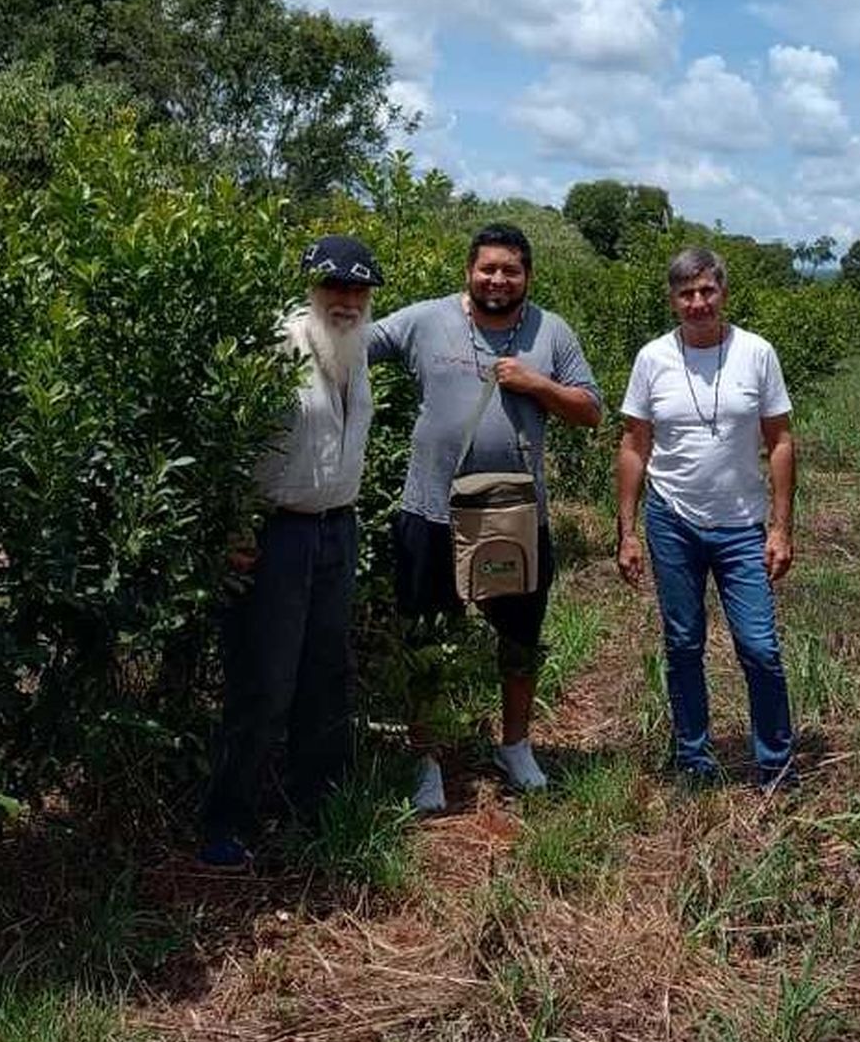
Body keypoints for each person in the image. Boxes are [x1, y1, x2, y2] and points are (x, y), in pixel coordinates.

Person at [368, 223, 601, 811]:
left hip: (514, 515)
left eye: (511, 270)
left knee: (519, 637)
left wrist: (536, 382)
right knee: (425, 639)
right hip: (430, 511)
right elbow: (354, 342)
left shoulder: (552, 332)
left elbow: (590, 410)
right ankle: (425, 761)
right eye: (488, 268)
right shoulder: (424, 320)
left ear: (527, 276)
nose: (498, 279)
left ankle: (515, 746)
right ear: (468, 270)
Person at [200, 234, 384, 868]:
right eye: (336, 286)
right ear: (312, 286)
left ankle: (317, 804)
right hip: (276, 532)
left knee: (326, 675)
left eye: (358, 289)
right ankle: (227, 821)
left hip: (337, 528)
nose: (348, 299)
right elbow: (227, 439)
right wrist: (233, 529)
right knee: (262, 680)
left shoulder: (356, 350)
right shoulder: (279, 342)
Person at [615, 246, 797, 789]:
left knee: (759, 647)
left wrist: (782, 526)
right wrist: (626, 532)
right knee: (683, 643)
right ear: (672, 300)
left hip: (743, 523)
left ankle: (776, 763)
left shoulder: (757, 353)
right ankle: (693, 758)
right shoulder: (653, 359)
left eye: (706, 291)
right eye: (686, 293)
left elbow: (781, 441)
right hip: (672, 520)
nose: (697, 303)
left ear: (723, 293)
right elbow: (633, 445)